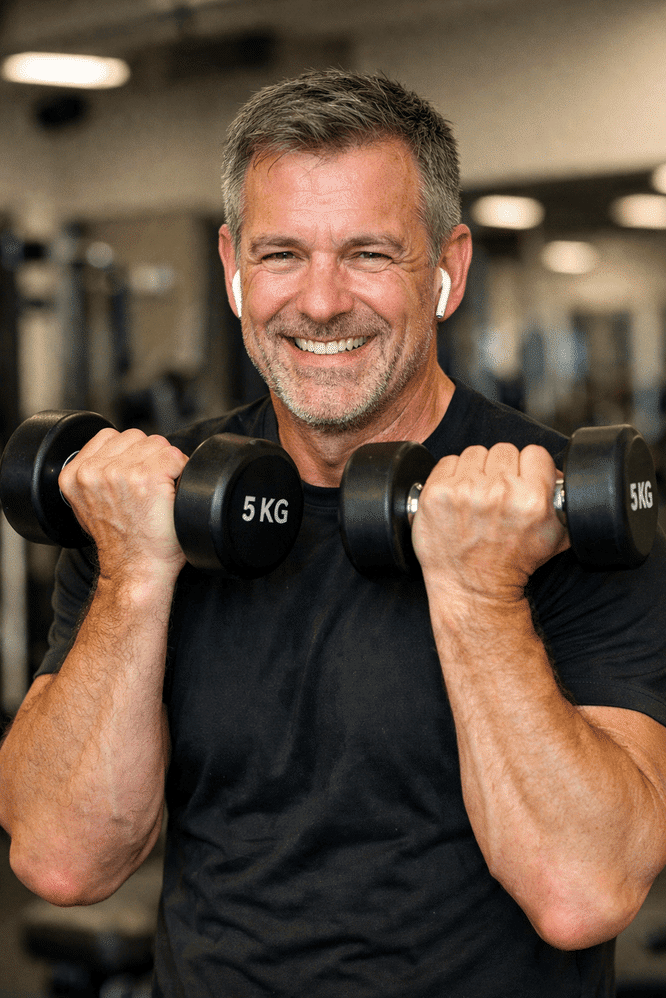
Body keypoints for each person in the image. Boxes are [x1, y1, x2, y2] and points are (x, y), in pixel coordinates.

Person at [1, 69, 666, 998]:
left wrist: (480, 595)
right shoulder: (154, 507)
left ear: (448, 267)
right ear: (233, 267)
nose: (318, 303)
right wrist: (134, 578)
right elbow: (63, 861)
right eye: (280, 255)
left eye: (368, 254)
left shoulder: (559, 512)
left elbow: (585, 894)